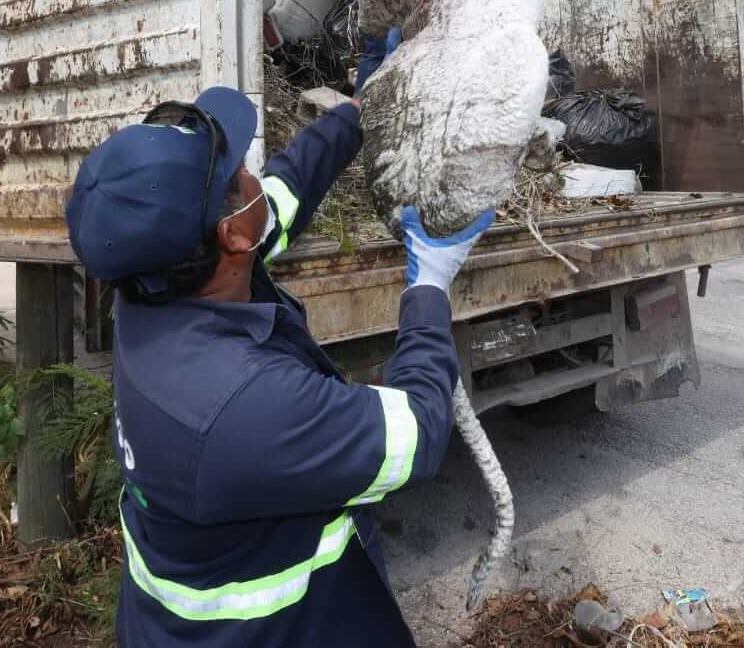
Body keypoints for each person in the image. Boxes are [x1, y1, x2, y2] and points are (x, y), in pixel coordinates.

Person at [65, 74, 488, 647]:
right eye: (240, 172)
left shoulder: (153, 293)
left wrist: (356, 112)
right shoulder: (244, 406)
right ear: (232, 235)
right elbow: (421, 430)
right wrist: (430, 286)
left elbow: (283, 194)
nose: (254, 176)